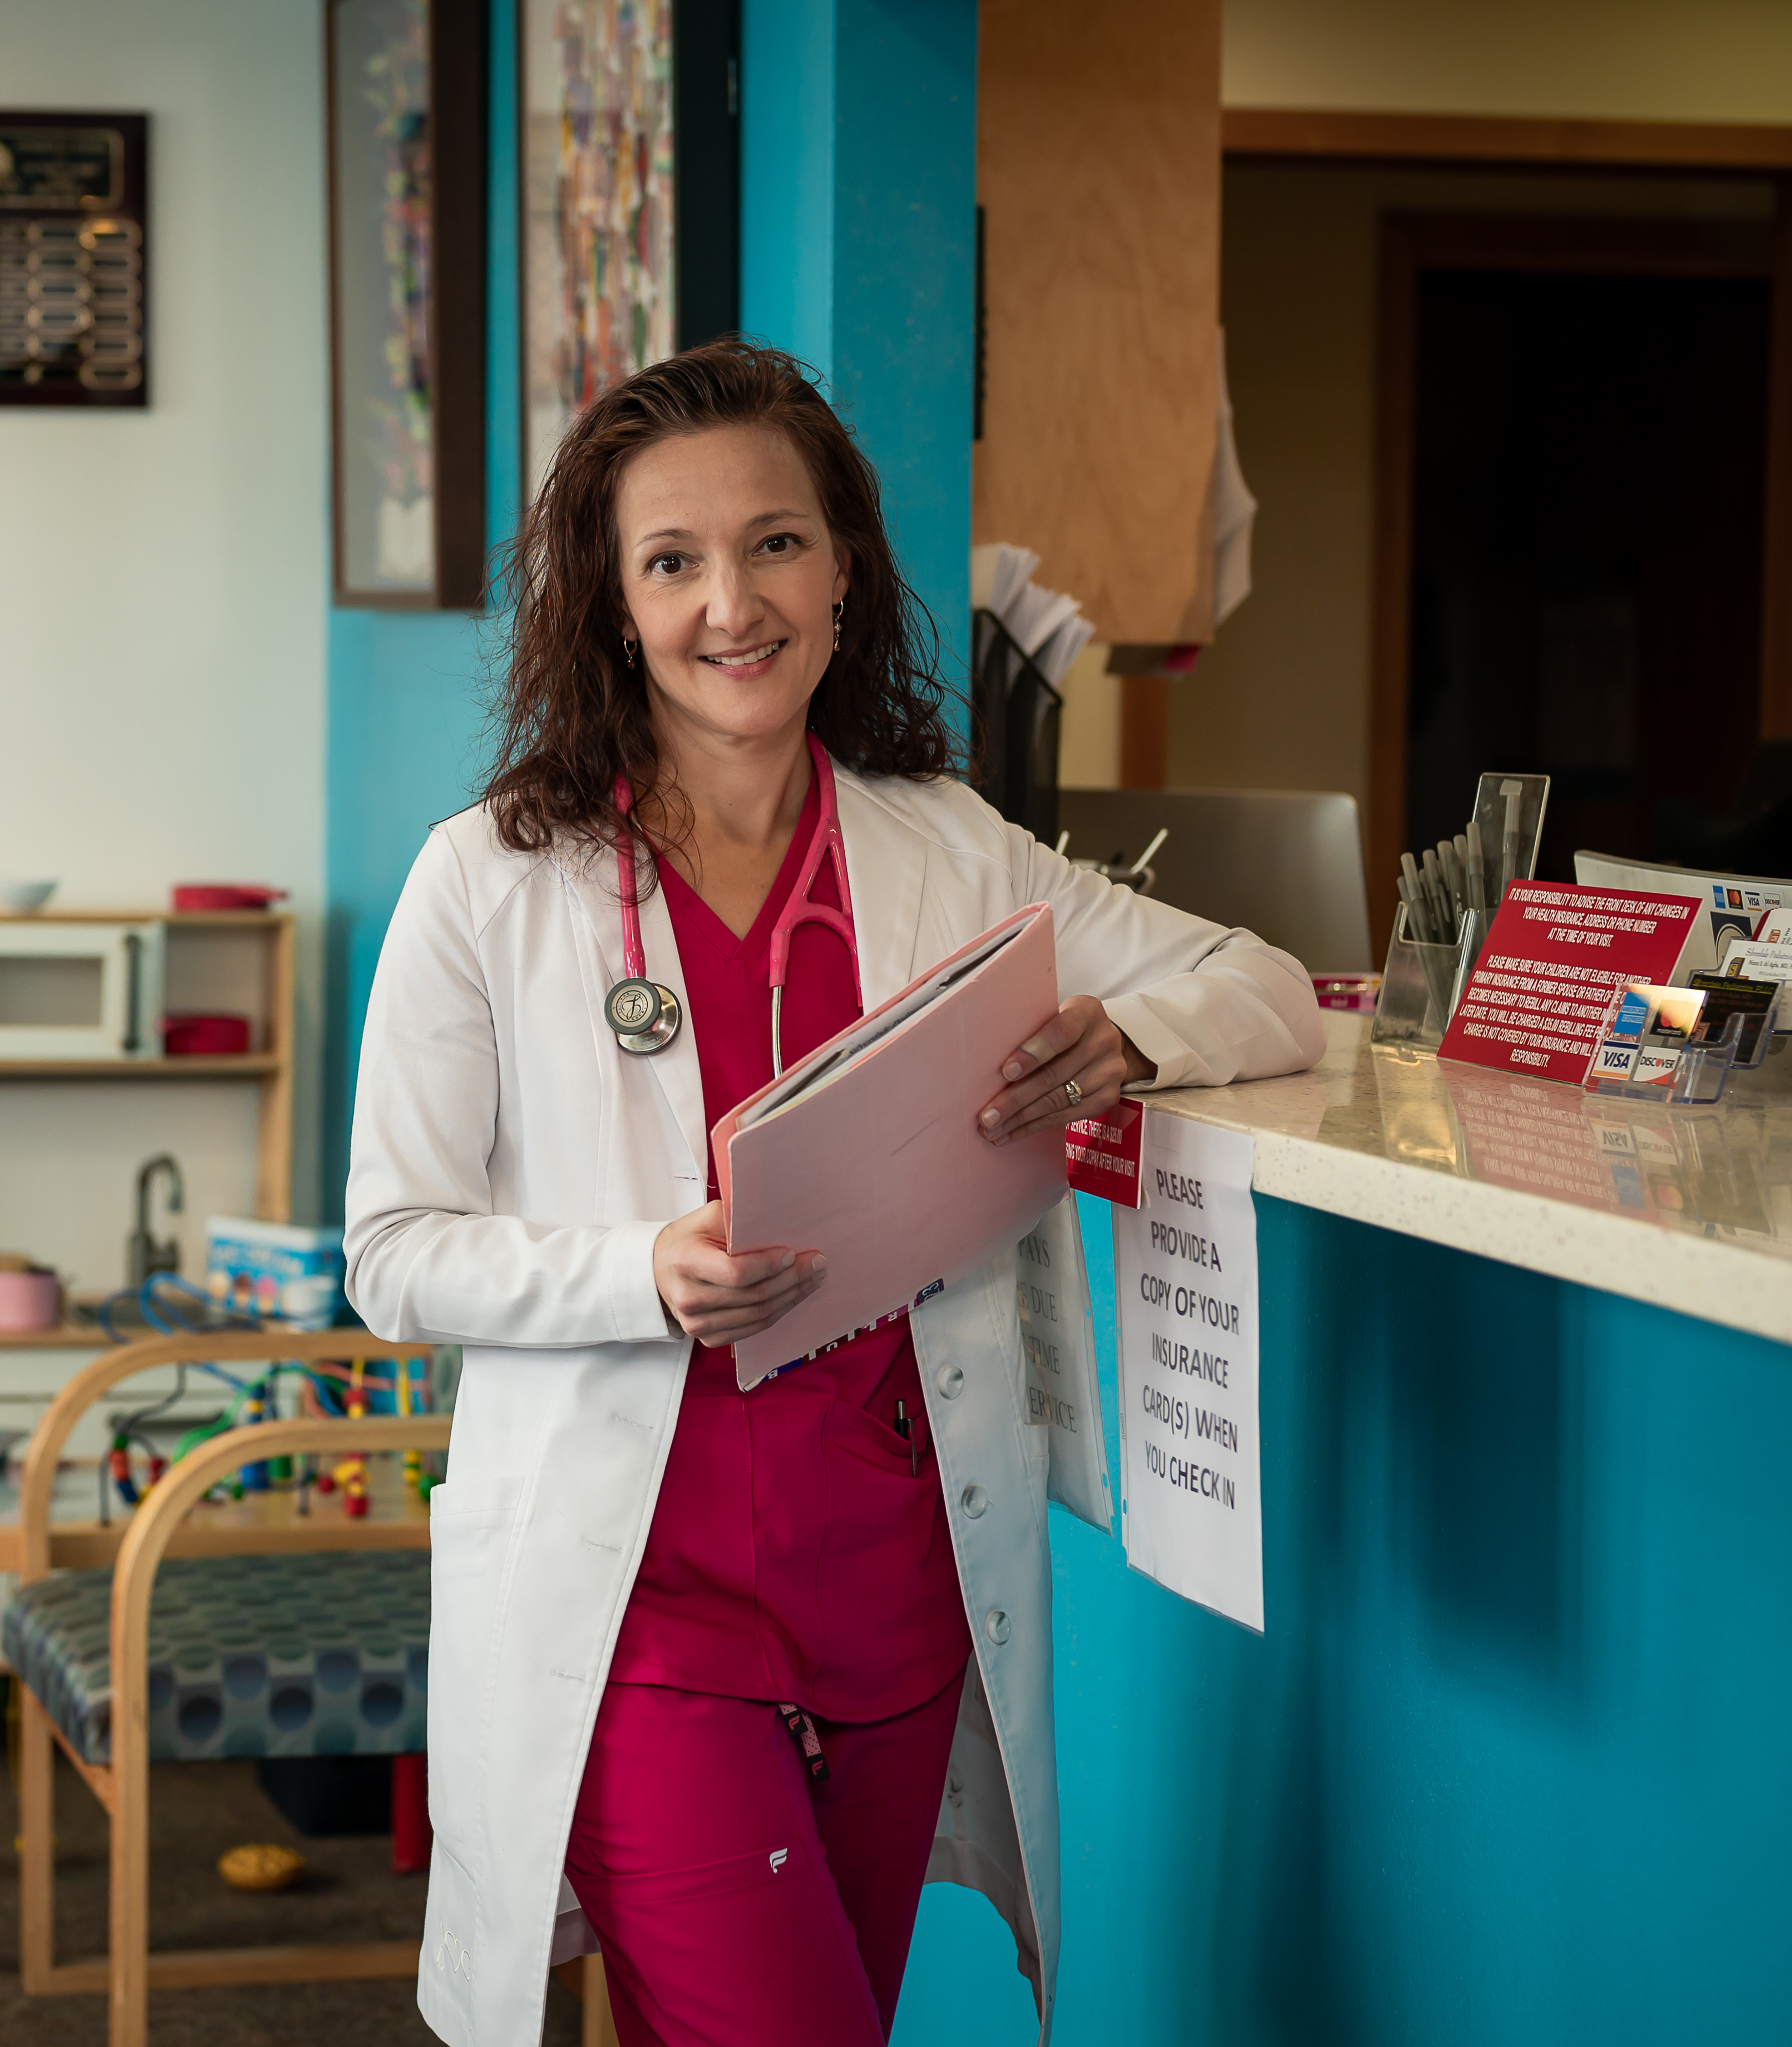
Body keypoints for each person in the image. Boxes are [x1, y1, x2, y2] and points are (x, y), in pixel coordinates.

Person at [343, 338, 1323, 2047]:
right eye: (674, 561)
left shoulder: (947, 851)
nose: (735, 601)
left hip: (894, 1607)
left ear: (847, 567)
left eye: (776, 543)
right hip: (640, 1613)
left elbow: (1271, 983)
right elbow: (393, 1253)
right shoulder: (488, 884)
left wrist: (1125, 1034)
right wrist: (639, 1272)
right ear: (614, 605)